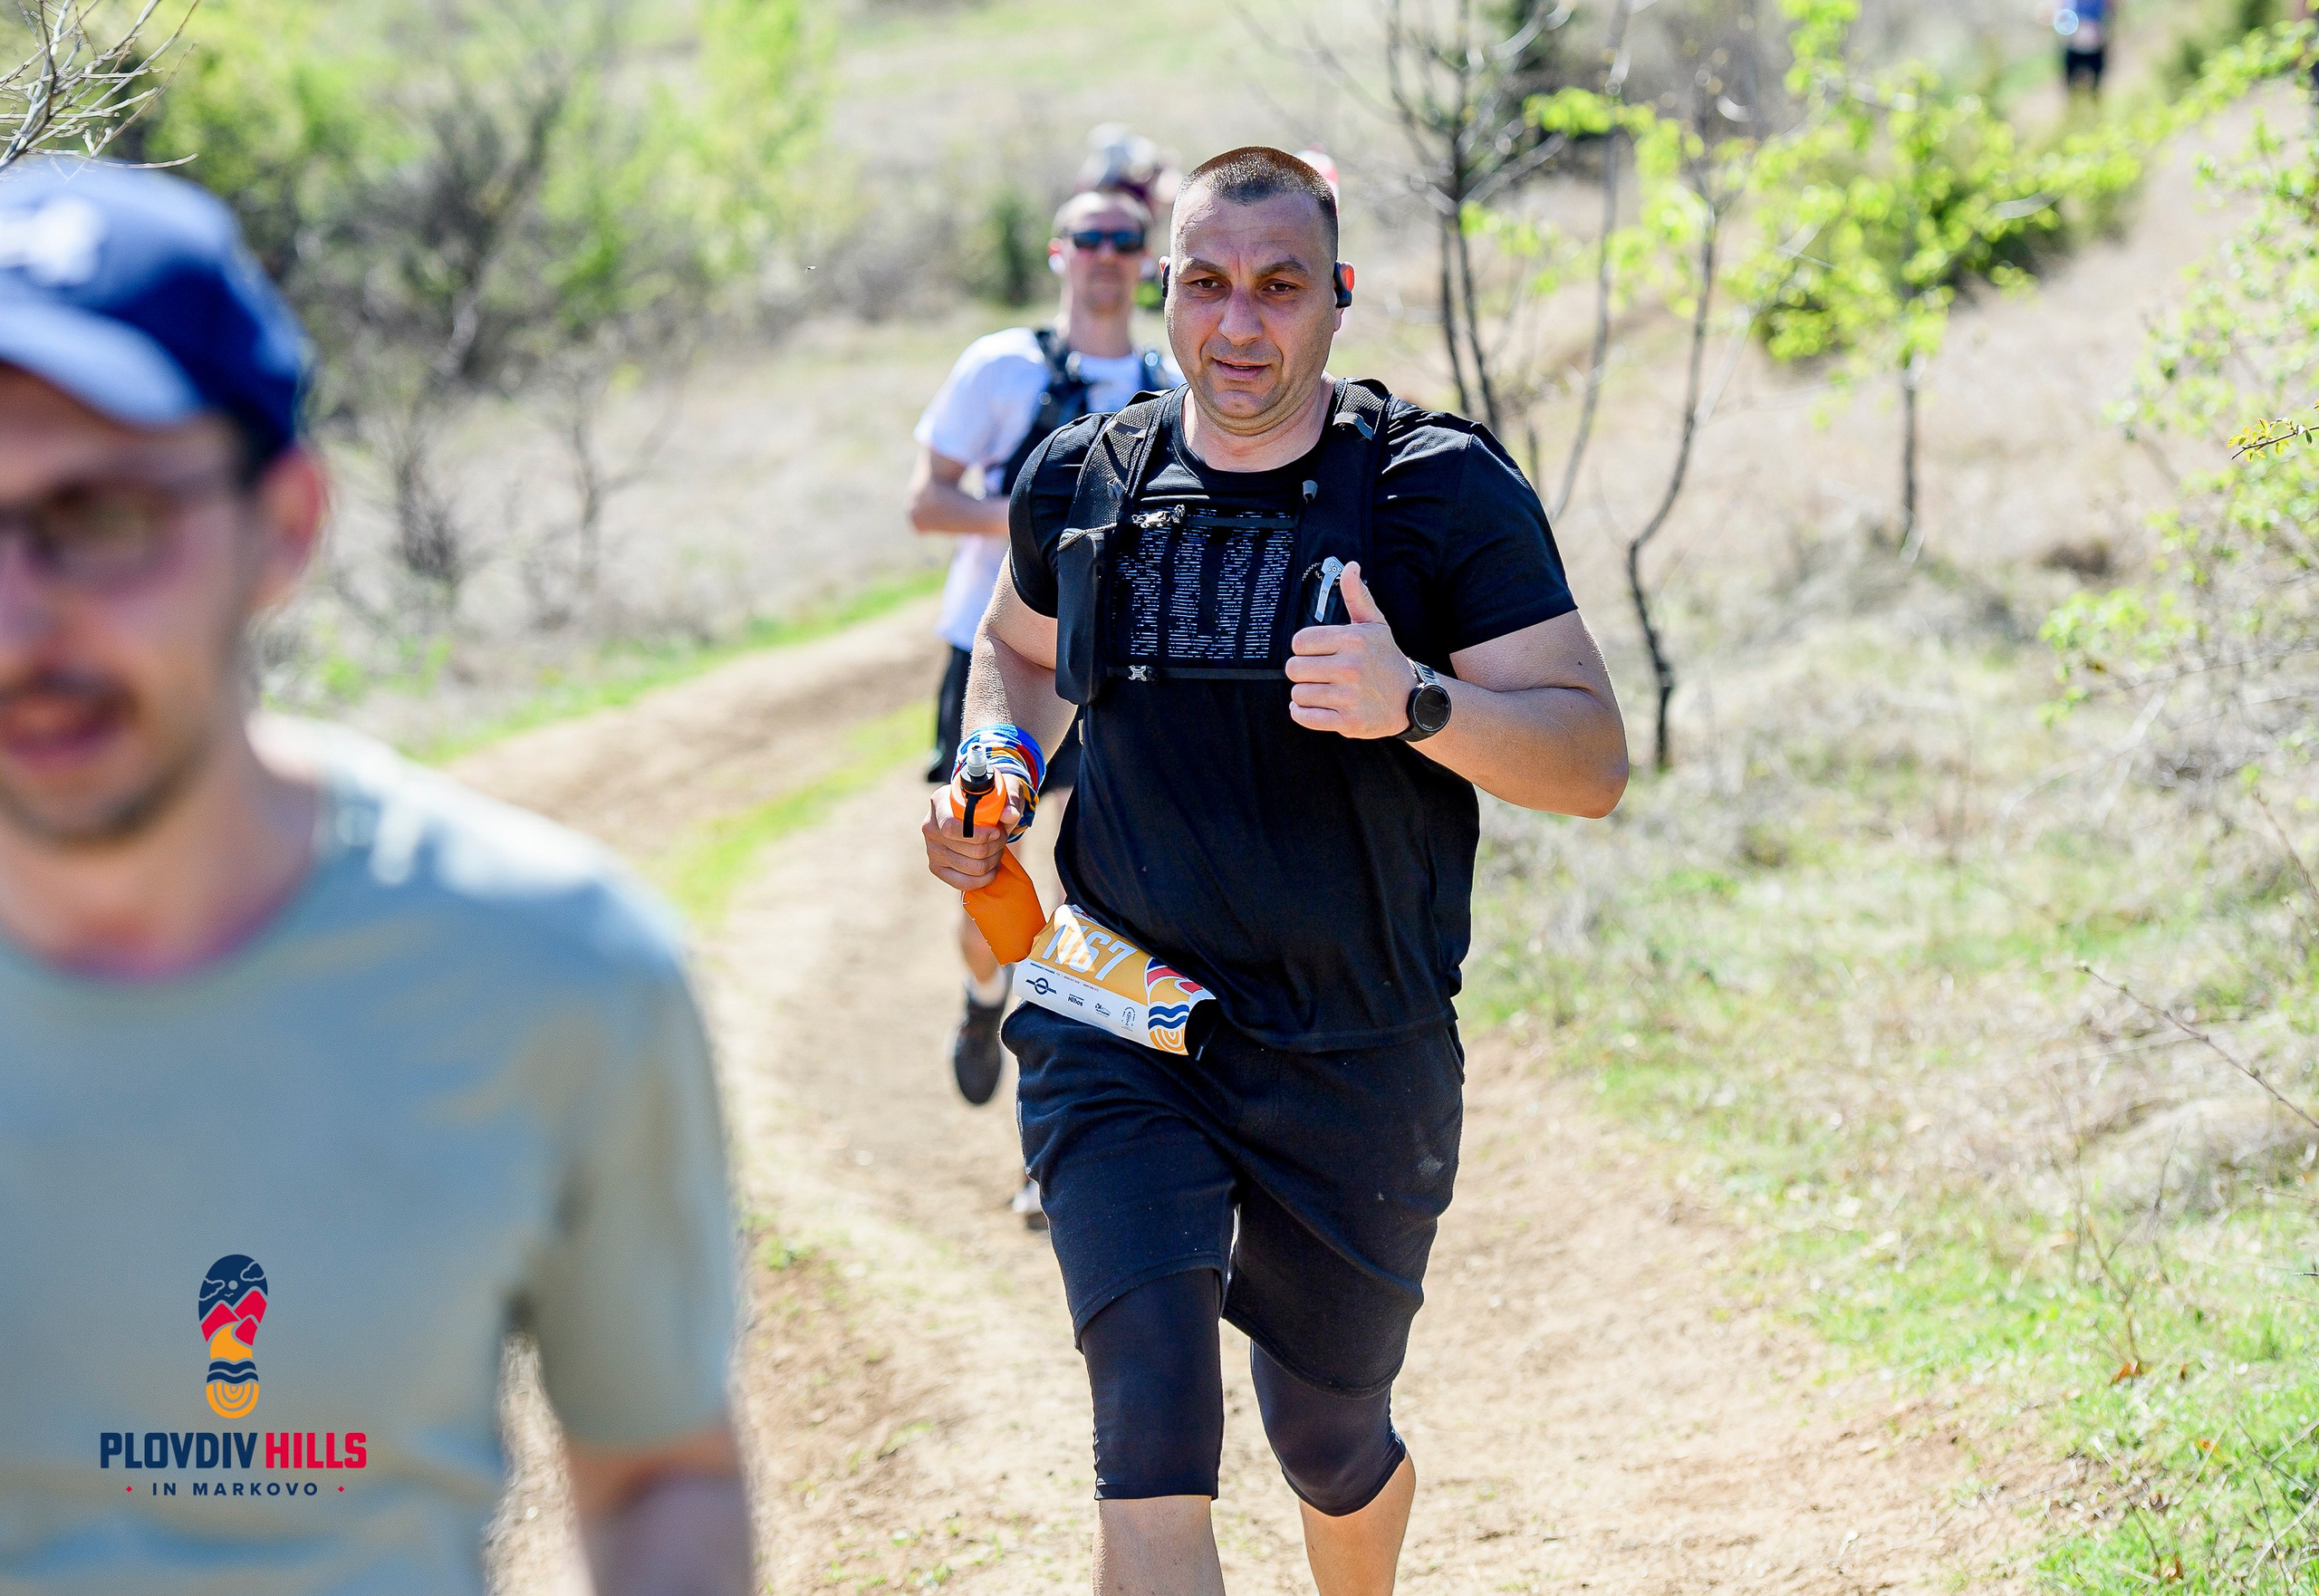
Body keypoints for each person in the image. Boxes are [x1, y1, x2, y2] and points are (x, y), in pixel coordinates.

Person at [0, 157, 750, 1595]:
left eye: (102, 519)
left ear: (282, 525)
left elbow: (659, 1470)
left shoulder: (555, 973)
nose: (23, 615)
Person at [920, 146, 1628, 1594]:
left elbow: (1593, 760)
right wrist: (997, 764)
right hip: (1120, 1019)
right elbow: (1021, 650)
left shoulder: (1435, 494)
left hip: (1354, 1045)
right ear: (1167, 293)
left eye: (1280, 287)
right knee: (1153, 1435)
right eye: (1208, 285)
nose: (1239, 325)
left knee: (1324, 1431)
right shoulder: (1087, 475)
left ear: (1337, 301)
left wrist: (1416, 701)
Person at [906, 187, 1179, 1139]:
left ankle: (1053, 1116)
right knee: (990, 863)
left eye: (1126, 239)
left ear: (1147, 259)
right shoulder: (1001, 366)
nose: (1108, 254)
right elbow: (927, 502)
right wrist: (1046, 525)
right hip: (991, 652)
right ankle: (985, 1001)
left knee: (1083, 893)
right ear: (1060, 252)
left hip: (1108, 674)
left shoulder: (1168, 377)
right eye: (1090, 238)